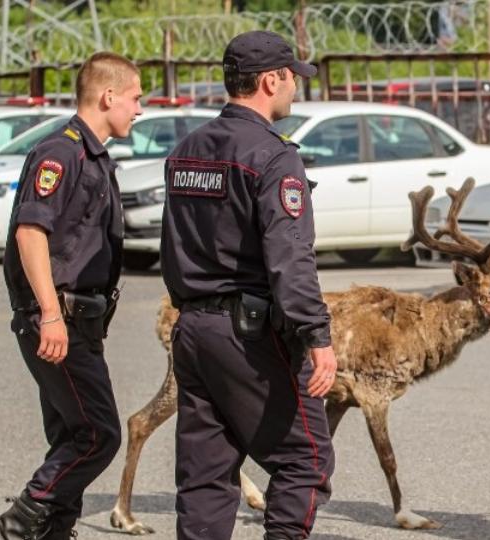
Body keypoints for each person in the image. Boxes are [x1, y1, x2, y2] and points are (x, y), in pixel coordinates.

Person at [160, 30, 336, 540]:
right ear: (270, 80)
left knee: (206, 475)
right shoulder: (274, 156)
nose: (296, 87)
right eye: (292, 77)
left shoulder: (187, 149)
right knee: (306, 458)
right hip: (249, 335)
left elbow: (174, 244)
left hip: (194, 328)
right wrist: (317, 336)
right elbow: (290, 258)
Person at [0, 52, 142, 540]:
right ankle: (13, 528)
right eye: (135, 98)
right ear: (108, 96)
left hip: (80, 321)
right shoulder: (62, 153)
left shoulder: (92, 155)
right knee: (99, 435)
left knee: (72, 437)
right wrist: (51, 314)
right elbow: (31, 232)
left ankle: (53, 531)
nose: (139, 109)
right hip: (58, 321)